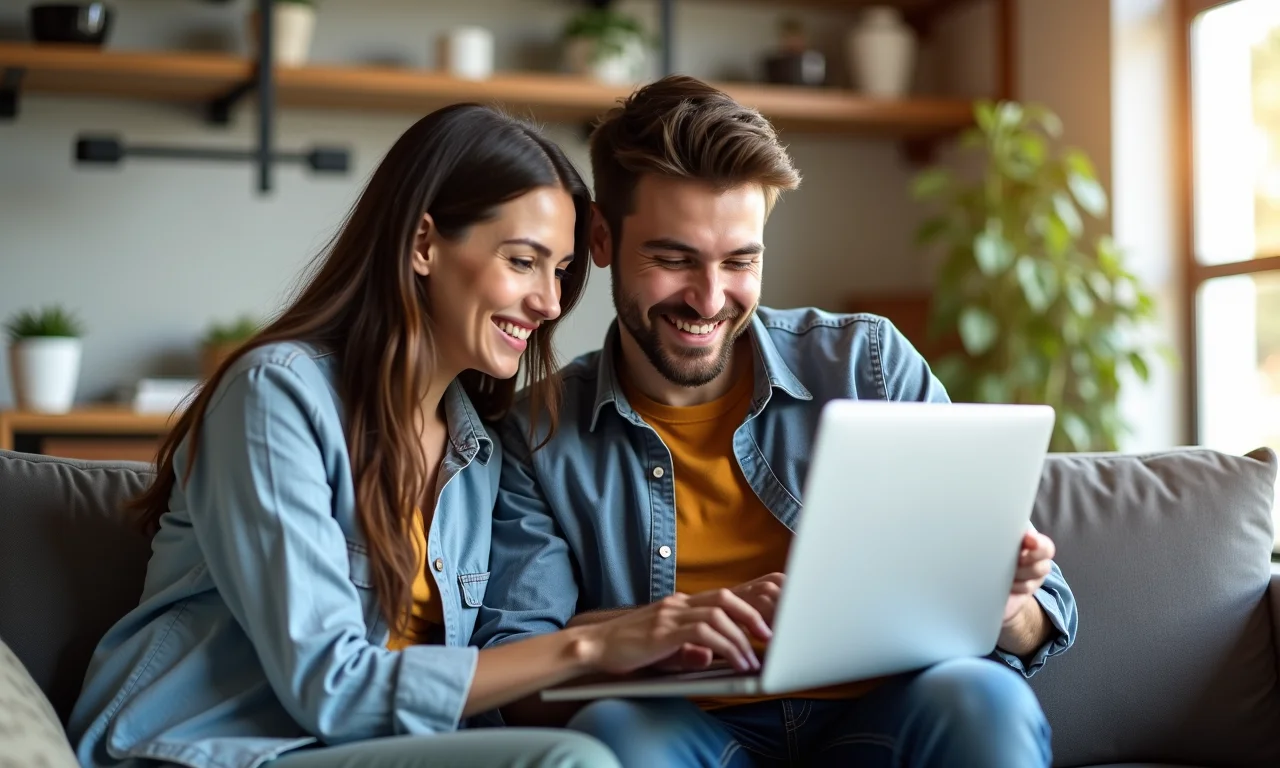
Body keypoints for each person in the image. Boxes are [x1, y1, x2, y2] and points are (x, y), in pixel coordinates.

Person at [67, 103, 776, 768]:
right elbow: (333, 688)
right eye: (523, 261)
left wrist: (660, 650)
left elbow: (482, 679)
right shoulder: (276, 395)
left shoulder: (482, 448)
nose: (551, 301)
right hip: (210, 751)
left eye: (560, 271)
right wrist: (594, 643)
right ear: (424, 243)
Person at [471, 76, 1080, 767]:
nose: (708, 299)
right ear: (603, 239)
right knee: (613, 735)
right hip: (683, 730)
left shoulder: (866, 365)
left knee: (986, 698)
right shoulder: (537, 432)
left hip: (887, 713)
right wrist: (653, 630)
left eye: (740, 261)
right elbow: (516, 670)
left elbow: (1041, 620)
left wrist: (1003, 610)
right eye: (673, 259)